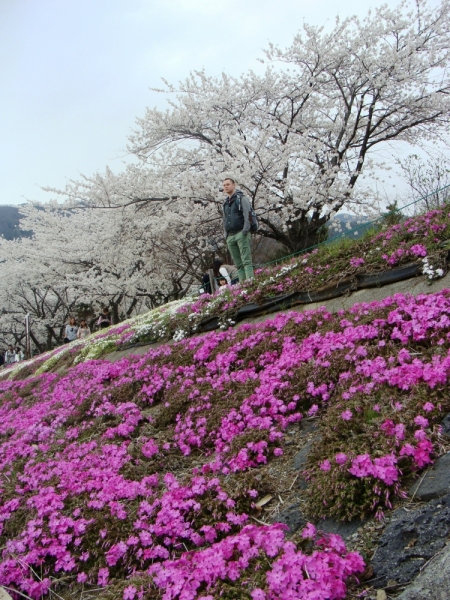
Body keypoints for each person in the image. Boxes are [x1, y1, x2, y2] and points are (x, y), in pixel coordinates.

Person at [222, 177, 254, 282]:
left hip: (241, 232)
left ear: (234, 185)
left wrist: (245, 230)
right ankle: (243, 284)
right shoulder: (225, 203)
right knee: (238, 264)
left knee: (246, 260)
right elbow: (225, 218)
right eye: (224, 185)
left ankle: (250, 282)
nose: (226, 186)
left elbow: (247, 214)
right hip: (230, 236)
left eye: (228, 184)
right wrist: (226, 235)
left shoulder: (241, 199)